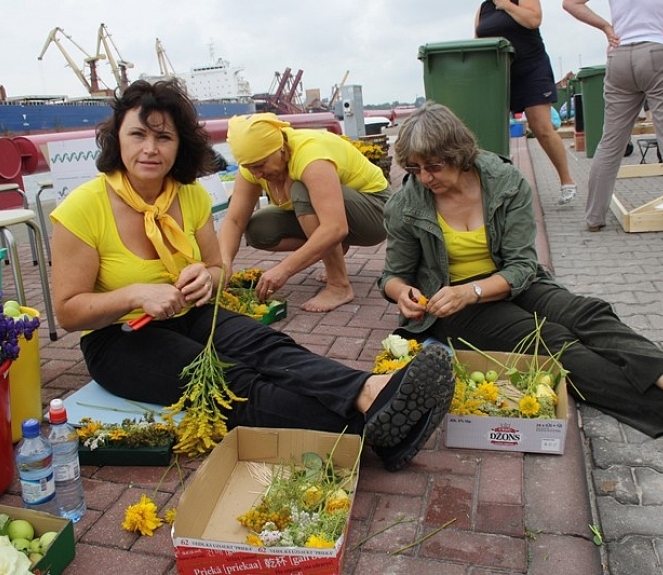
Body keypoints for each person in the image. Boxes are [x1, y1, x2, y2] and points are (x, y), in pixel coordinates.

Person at [48, 79, 455, 473]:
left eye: (164, 138)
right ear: (116, 138)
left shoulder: (187, 195)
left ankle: (372, 391)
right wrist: (135, 294)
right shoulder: (84, 207)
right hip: (120, 338)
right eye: (138, 135)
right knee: (234, 380)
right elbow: (68, 313)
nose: (151, 149)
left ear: (180, 145)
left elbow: (216, 268)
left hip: (188, 314)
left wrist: (207, 279)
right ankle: (368, 432)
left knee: (270, 348)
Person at [378, 101, 663, 439]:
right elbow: (393, 274)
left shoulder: (504, 182)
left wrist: (477, 289)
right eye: (414, 168)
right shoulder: (407, 203)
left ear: (457, 153)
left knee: (586, 313)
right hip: (452, 303)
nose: (424, 177)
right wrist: (402, 293)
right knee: (550, 341)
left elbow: (523, 265)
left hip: (511, 280)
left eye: (434, 166)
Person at [562, 0, 663, 240]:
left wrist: (606, 27)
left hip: (621, 53)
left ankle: (594, 217)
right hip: (662, 49)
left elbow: (570, 3)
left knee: (610, 143)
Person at [218, 114, 392, 313]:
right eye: (249, 167)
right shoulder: (252, 166)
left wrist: (284, 270)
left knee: (301, 191)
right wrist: (223, 265)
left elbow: (336, 227)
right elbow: (234, 221)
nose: (256, 174)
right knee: (258, 229)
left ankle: (339, 285)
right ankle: (333, 246)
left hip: (377, 212)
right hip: (336, 215)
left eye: (260, 165)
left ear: (280, 149)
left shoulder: (310, 155)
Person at [475, 0, 578, 205]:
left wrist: (507, 5)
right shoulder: (483, 7)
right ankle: (499, 186)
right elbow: (477, 41)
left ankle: (567, 182)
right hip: (501, 73)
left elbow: (534, 20)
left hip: (532, 68)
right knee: (494, 129)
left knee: (541, 127)